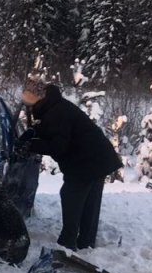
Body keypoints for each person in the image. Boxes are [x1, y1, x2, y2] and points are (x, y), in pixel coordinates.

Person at [16, 78, 123, 251]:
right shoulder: (52, 106)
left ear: (37, 98)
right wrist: (32, 135)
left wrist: (30, 145)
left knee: (71, 195)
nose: (26, 104)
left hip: (86, 161)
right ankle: (86, 243)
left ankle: (67, 243)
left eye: (28, 100)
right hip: (98, 157)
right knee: (89, 200)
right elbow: (51, 133)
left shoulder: (55, 113)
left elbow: (58, 146)